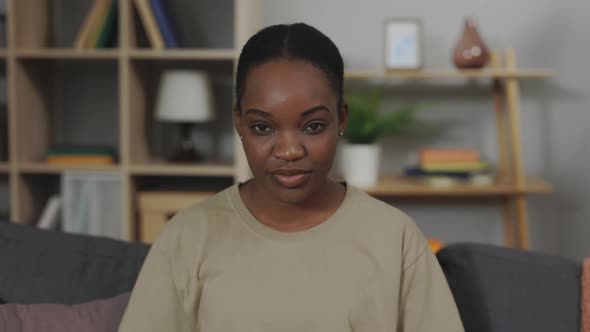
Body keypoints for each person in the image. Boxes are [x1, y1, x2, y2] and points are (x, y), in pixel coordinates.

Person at [119, 23, 464, 332]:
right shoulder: (188, 237)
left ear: (340, 120)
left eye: (313, 126)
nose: (288, 151)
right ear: (238, 122)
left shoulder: (395, 238)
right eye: (262, 127)